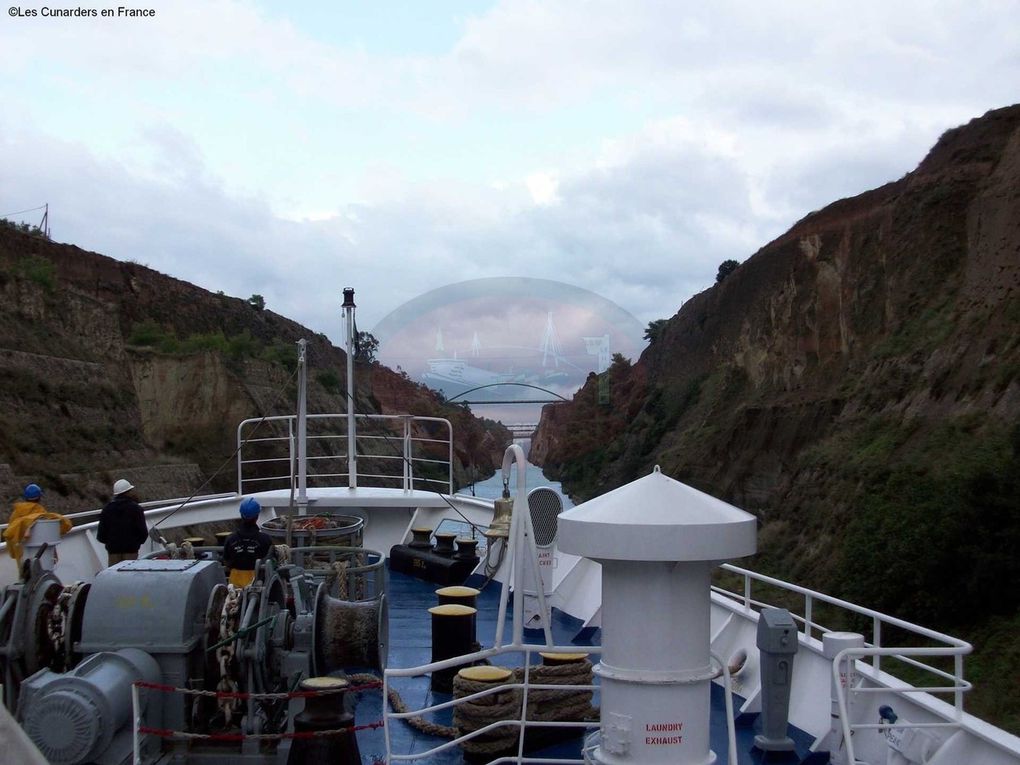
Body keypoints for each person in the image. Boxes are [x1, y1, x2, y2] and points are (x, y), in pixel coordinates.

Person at [3, 484, 72, 577]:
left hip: (23, 553)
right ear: (39, 497)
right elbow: (52, 531)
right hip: (43, 554)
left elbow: (11, 533)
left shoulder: (16, 514)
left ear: (25, 498)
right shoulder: (41, 512)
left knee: (25, 576)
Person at [222, 498, 273, 587]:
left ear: (241, 515)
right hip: (258, 584)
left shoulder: (230, 539)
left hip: (234, 585)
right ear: (257, 516)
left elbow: (226, 561)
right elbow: (270, 562)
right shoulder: (265, 539)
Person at [97, 479, 148, 565]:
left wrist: (111, 544)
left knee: (114, 576)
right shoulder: (136, 509)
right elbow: (143, 532)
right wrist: (136, 544)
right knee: (129, 575)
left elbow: (101, 535)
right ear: (128, 492)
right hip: (131, 550)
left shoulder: (107, 509)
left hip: (113, 551)